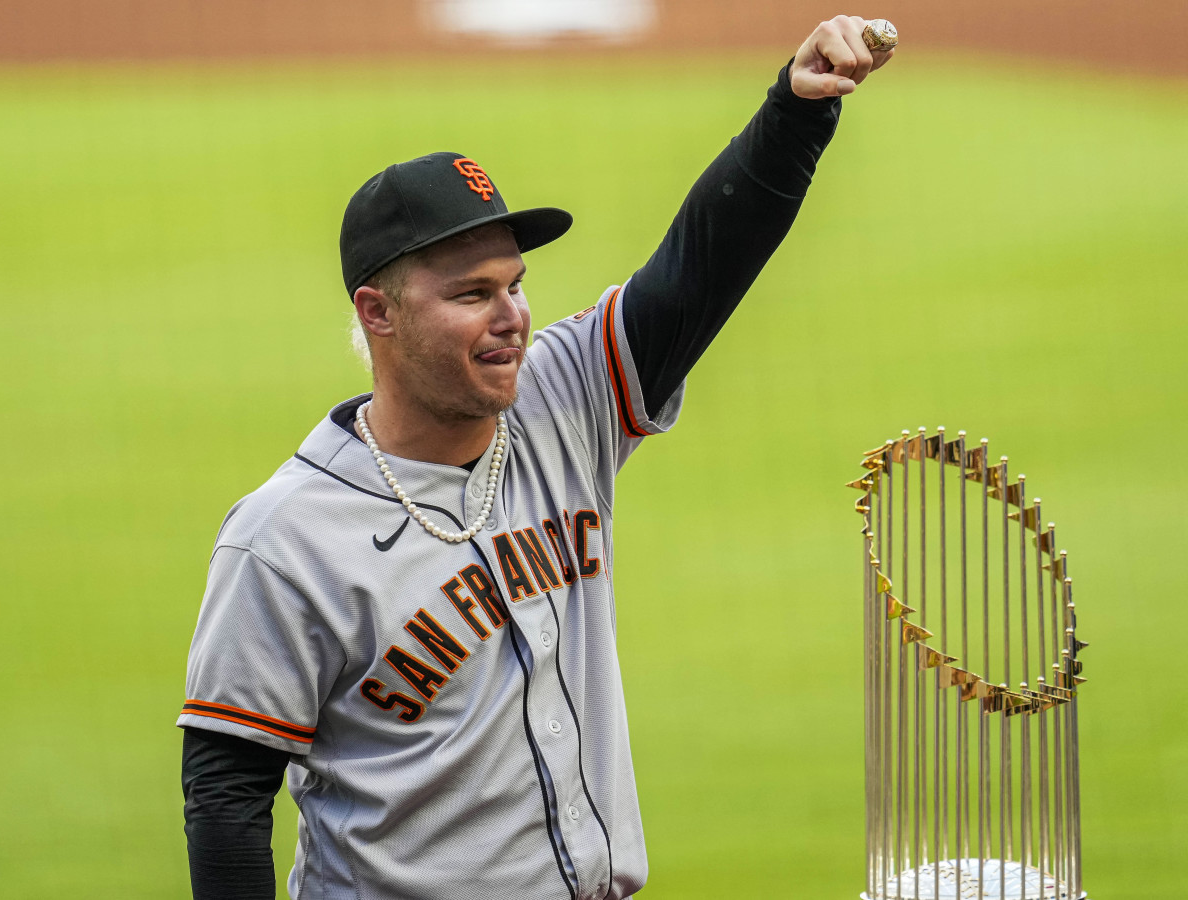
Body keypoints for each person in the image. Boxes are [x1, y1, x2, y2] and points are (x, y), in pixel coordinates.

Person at [179, 16, 894, 900]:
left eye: (515, 284)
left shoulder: (564, 398)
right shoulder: (285, 539)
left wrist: (795, 110)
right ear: (378, 313)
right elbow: (226, 794)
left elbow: (700, 269)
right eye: (471, 294)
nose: (512, 315)